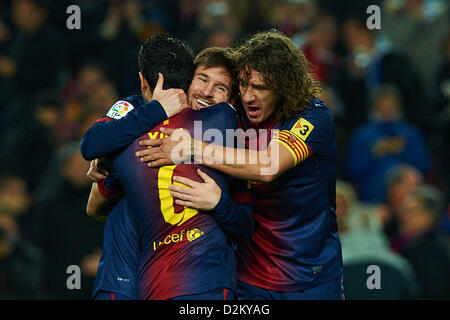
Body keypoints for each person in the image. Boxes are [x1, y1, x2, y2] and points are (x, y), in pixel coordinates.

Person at [138, 29, 344, 300]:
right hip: (249, 281)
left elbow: (268, 167)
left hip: (310, 278)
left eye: (259, 88)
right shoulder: (234, 118)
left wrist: (192, 148)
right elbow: (163, 102)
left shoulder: (313, 117)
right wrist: (113, 144)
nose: (248, 96)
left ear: (284, 86)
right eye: (244, 85)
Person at [82, 36, 252, 300]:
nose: (207, 92)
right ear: (186, 78)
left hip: (180, 279)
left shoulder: (228, 148)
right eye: (203, 79)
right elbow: (93, 197)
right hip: (122, 277)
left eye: (220, 88)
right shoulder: (135, 108)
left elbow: (245, 227)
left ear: (230, 101)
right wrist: (114, 164)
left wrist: (219, 204)